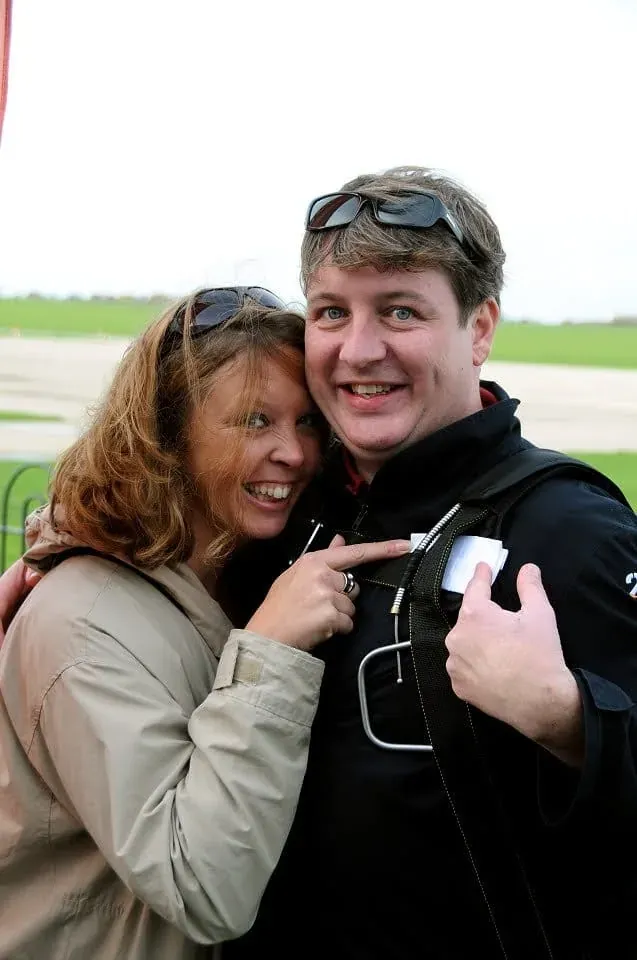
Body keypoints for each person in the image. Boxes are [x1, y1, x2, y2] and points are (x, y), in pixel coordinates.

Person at [223, 168, 637, 960]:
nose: (358, 350)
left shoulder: (565, 529)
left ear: (478, 329)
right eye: (331, 312)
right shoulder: (291, 512)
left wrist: (567, 720)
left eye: (400, 311)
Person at [0, 285, 409, 960]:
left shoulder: (227, 571)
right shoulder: (81, 623)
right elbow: (202, 886)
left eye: (308, 422)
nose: (295, 453)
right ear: (166, 435)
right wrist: (269, 653)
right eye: (254, 421)